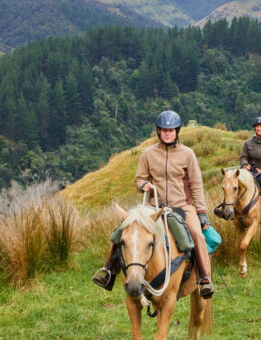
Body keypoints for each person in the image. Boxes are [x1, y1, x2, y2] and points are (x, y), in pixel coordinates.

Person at [92, 110, 214, 298]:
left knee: (197, 235)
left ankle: (204, 279)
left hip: (182, 206)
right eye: (164, 130)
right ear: (158, 131)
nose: (167, 133)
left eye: (171, 130)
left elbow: (196, 185)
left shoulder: (188, 154)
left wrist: (201, 213)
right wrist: (143, 185)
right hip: (153, 208)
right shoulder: (148, 154)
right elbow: (139, 178)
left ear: (177, 131)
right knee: (121, 230)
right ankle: (108, 272)